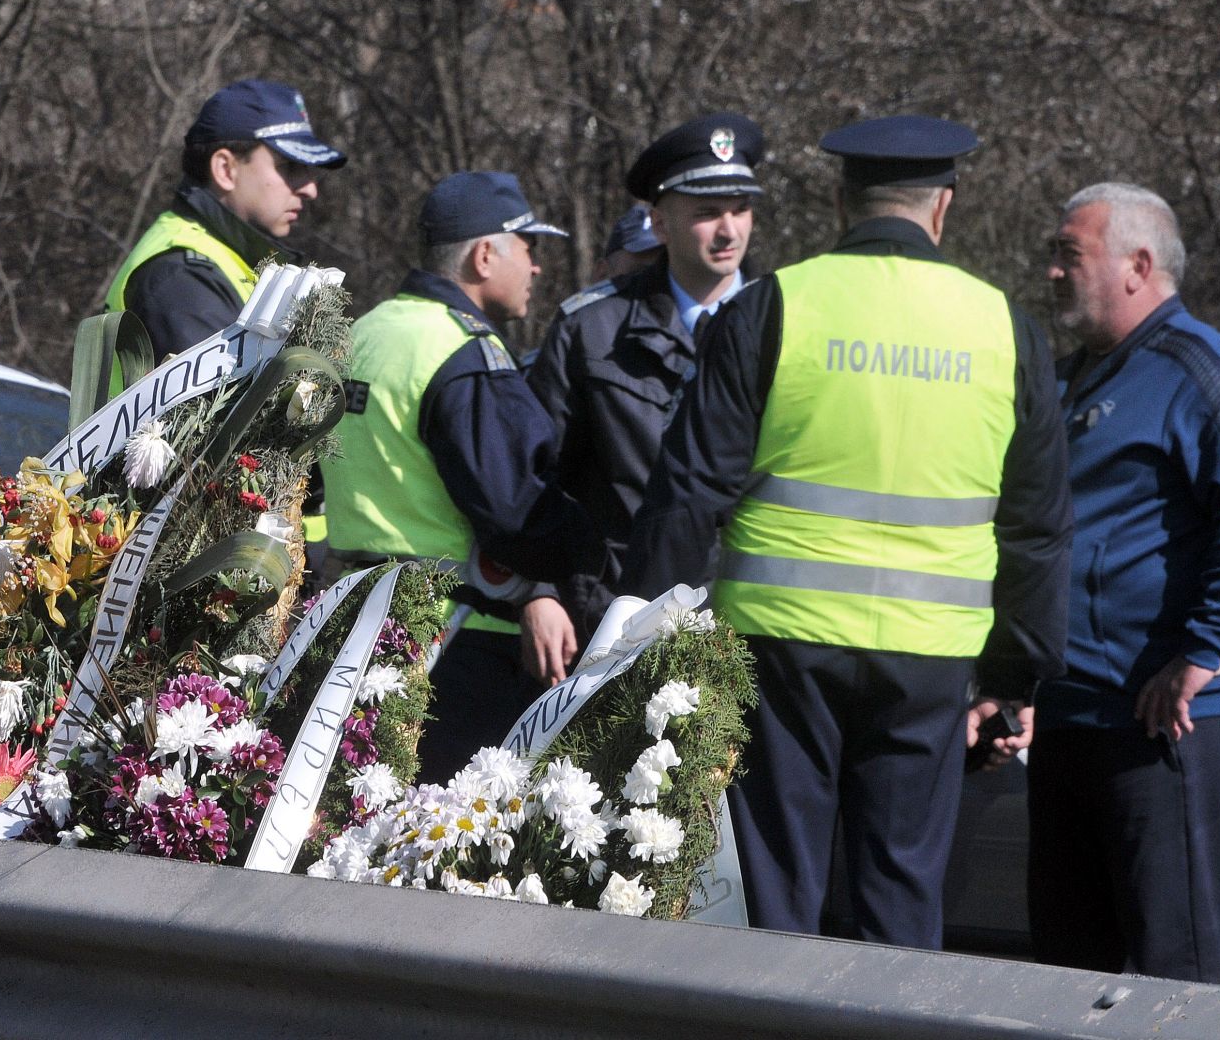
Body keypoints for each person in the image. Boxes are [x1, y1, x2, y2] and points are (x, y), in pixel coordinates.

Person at [618, 115, 1073, 949]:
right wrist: (1013, 678)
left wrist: (648, 640)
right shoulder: (1004, 326)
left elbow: (688, 494)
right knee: (899, 891)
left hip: (781, 647)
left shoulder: (772, 306)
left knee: (776, 885)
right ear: (943, 206)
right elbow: (1038, 525)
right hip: (932, 655)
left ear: (841, 203)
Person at [1026, 183, 1220, 982]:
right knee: (1068, 968)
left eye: (1070, 255)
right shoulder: (1071, 381)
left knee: (1176, 967)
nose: (1053, 273)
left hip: (1161, 722)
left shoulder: (1200, 369)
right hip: (1071, 712)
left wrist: (1205, 652)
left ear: (1138, 265)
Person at [329, 171, 601, 783]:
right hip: (458, 645)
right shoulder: (463, 352)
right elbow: (514, 511)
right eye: (528, 249)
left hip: (351, 625)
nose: (536, 268)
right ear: (485, 255)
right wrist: (591, 547)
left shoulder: (364, 333)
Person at [522, 114, 765, 683]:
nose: (728, 230)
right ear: (659, 222)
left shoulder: (788, 327)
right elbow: (537, 478)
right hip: (611, 619)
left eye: (741, 209)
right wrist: (536, 591)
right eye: (707, 213)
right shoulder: (591, 328)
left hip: (748, 626)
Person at [104, 78, 347, 358]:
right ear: (225, 169)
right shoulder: (182, 279)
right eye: (290, 166)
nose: (310, 188)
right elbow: (222, 402)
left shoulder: (225, 260)